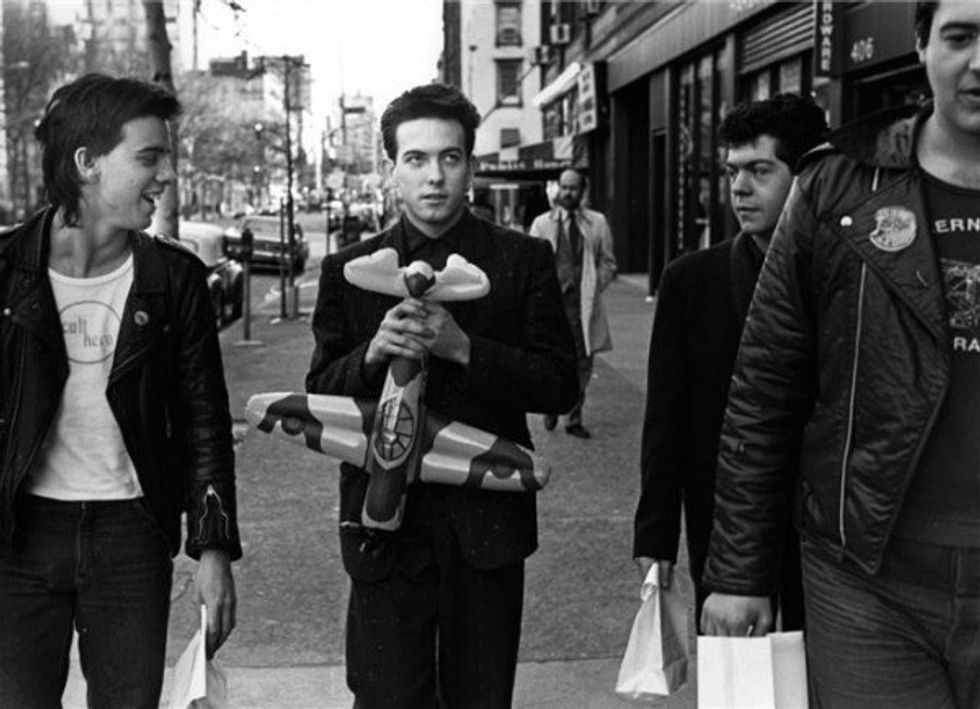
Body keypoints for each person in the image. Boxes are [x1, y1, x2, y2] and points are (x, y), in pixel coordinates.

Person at [701, 2, 980, 706]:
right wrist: (739, 570)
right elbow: (765, 386)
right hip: (868, 585)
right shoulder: (836, 187)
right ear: (921, 44)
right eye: (961, 36)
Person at [306, 83, 578, 707]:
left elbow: (560, 384)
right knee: (385, 696)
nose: (434, 176)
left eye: (450, 158)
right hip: (381, 525)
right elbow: (320, 389)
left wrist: (466, 349)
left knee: (480, 697)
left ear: (471, 167)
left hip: (487, 529)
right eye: (417, 159)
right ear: (391, 171)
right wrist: (372, 354)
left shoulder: (522, 260)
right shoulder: (349, 269)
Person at [0, 74, 241, 707]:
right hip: (20, 537)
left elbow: (204, 423)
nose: (167, 175)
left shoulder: (175, 278)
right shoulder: (7, 270)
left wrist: (214, 548)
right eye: (149, 157)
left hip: (131, 536)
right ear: (87, 163)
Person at [633, 94, 827, 629]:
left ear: (806, 176)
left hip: (825, 528)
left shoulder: (846, 276)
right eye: (732, 171)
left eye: (759, 170)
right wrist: (655, 536)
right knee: (739, 667)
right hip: (723, 519)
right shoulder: (692, 280)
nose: (739, 187)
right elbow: (666, 419)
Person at [529, 169, 617, 439]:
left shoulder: (597, 223)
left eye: (573, 188)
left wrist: (594, 286)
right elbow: (530, 266)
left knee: (582, 365)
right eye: (564, 187)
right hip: (550, 308)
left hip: (583, 308)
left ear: (582, 191)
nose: (567, 193)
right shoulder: (542, 224)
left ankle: (573, 417)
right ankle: (551, 404)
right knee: (550, 359)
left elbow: (608, 262)